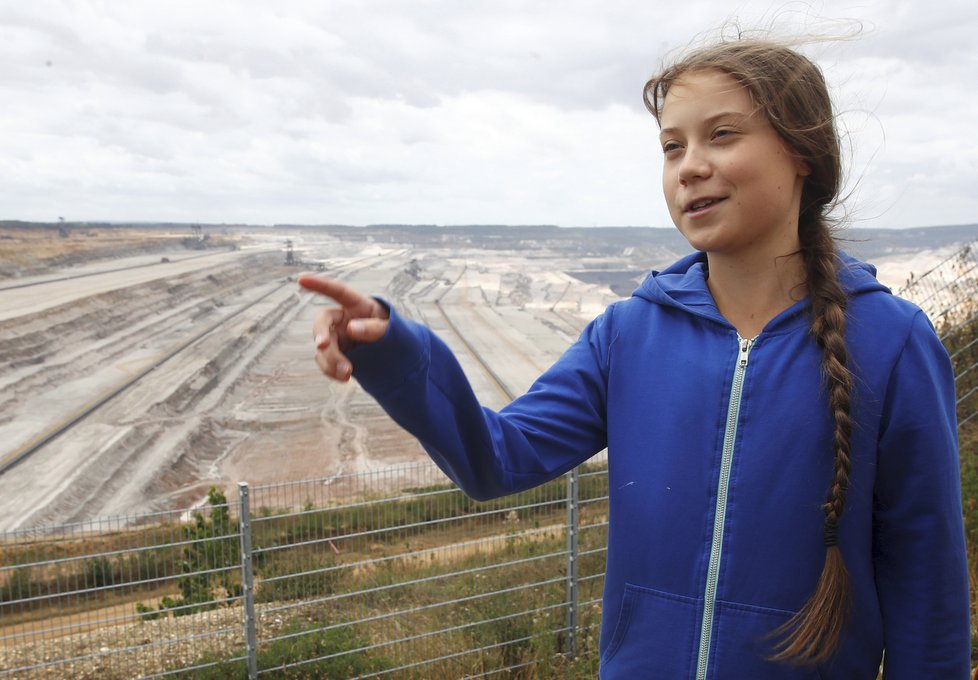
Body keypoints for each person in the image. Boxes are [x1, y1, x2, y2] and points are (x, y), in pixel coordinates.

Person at [299, 37, 970, 678]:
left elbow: (927, 584)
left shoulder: (893, 343)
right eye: (672, 147)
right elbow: (495, 458)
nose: (690, 166)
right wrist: (391, 350)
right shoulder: (628, 334)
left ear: (802, 152)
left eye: (722, 134)